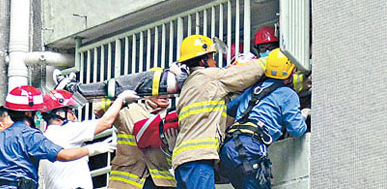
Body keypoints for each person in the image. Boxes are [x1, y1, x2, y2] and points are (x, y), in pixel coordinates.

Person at [172, 35, 266, 189]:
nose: (215, 62)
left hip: (182, 161)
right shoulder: (210, 77)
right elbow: (244, 74)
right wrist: (272, 60)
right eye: (211, 57)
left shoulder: (189, 86)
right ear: (203, 61)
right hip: (198, 158)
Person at [0, 85, 113, 189]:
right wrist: (93, 149)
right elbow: (63, 155)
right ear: (28, 113)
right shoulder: (30, 136)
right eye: (36, 112)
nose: (38, 116)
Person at [219, 48, 309, 189]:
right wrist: (304, 113)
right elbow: (297, 130)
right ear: (291, 72)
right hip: (249, 149)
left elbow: (231, 107)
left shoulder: (254, 89)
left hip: (229, 148)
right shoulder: (288, 94)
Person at [41, 89, 139, 189]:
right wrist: (120, 99)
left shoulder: (46, 136)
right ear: (60, 114)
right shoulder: (67, 130)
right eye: (71, 112)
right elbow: (105, 122)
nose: (75, 117)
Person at [94, 92, 177, 189]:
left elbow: (172, 162)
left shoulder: (172, 116)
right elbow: (99, 109)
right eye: (159, 91)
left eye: (167, 92)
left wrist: (172, 150)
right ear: (147, 93)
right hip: (127, 181)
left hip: (162, 182)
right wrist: (121, 98)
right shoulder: (130, 110)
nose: (165, 95)